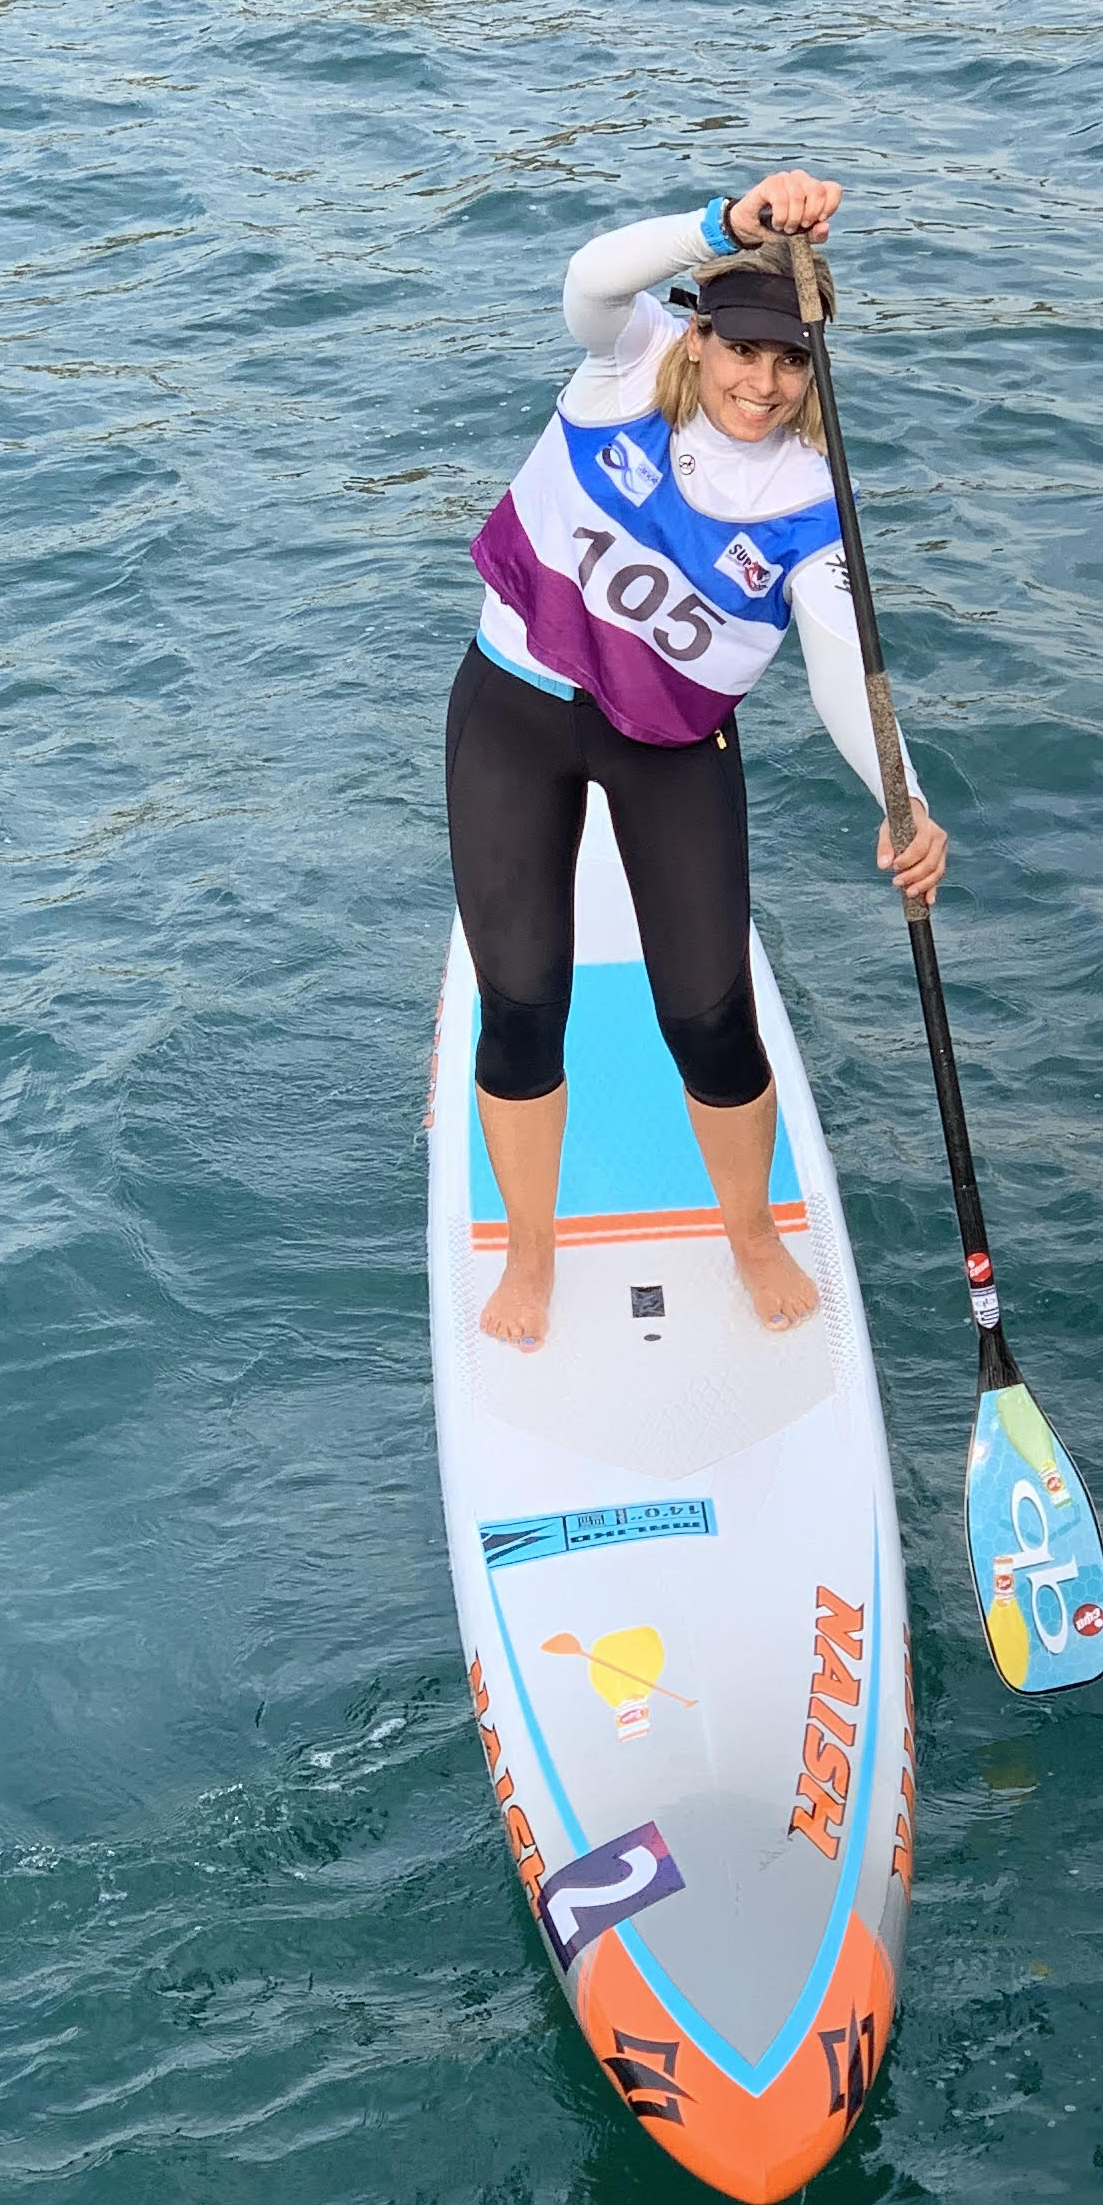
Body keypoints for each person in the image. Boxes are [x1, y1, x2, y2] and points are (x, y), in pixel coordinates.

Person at [449, 166, 947, 1352]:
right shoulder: (627, 363)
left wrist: (903, 798)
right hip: (514, 709)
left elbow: (838, 668)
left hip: (669, 747)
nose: (761, 386)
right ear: (702, 331)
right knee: (522, 1004)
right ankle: (530, 1250)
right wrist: (721, 224)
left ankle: (753, 1231)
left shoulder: (816, 500)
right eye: (744, 353)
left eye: (790, 365)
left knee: (711, 1017)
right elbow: (586, 275)